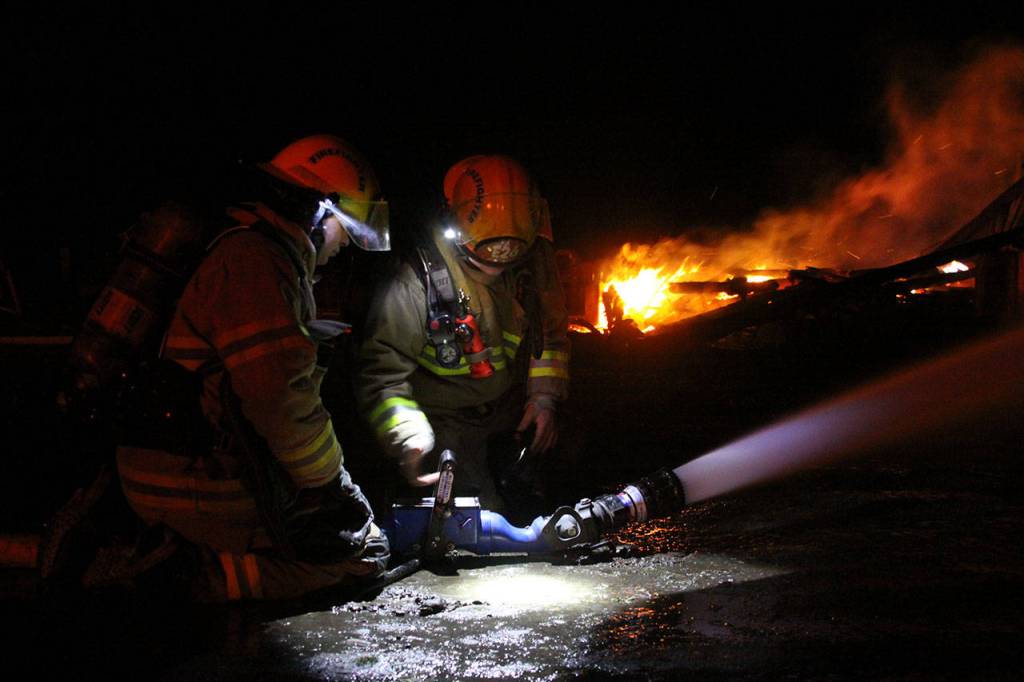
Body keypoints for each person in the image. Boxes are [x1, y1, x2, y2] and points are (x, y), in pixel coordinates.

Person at [110, 134, 392, 601]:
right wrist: (335, 487)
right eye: (347, 229)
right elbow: (281, 401)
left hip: (173, 462)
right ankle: (192, 578)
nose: (346, 247)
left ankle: (190, 564)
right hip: (192, 478)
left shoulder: (244, 251)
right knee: (362, 558)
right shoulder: (256, 264)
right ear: (319, 210)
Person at [356, 155, 570, 514]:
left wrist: (544, 398)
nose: (499, 262)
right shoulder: (415, 282)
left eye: (511, 253)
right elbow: (381, 377)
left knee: (539, 502)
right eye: (487, 253)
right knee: (478, 522)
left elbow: (550, 334)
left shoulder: (533, 261)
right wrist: (408, 434)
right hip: (442, 424)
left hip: (510, 416)